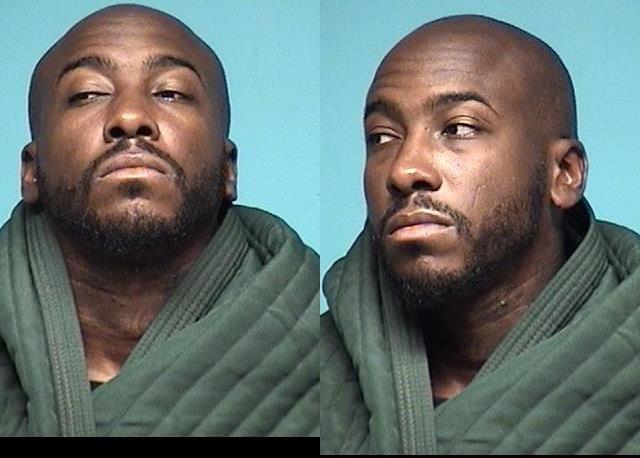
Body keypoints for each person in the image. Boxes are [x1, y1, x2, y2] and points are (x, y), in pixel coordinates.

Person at [321, 15, 640, 454]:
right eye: (382, 137)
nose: (404, 169)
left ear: (564, 173)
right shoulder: (305, 370)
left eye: (458, 128)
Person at [0, 4, 318, 437]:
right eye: (88, 93)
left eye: (170, 92)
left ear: (228, 170)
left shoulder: (316, 352)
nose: (130, 118)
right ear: (31, 171)